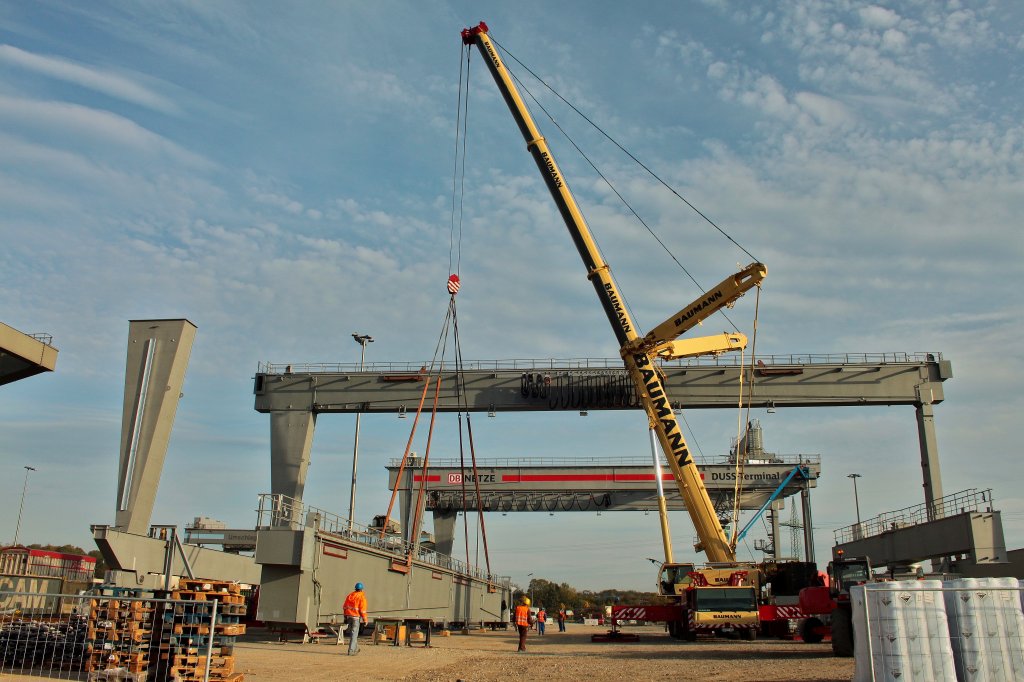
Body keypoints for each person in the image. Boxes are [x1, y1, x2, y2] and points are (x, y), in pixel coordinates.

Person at [343, 582, 368, 656]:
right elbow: (362, 610)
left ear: (356, 589)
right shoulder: (362, 597)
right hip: (356, 618)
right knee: (354, 634)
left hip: (348, 616)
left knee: (352, 633)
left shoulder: (350, 596)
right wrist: (365, 620)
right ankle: (351, 651)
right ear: (362, 589)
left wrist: (345, 616)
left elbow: (344, 606)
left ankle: (356, 648)